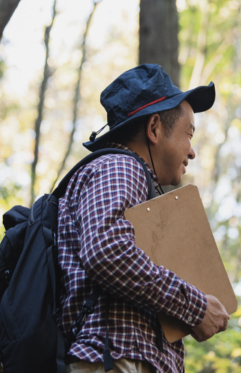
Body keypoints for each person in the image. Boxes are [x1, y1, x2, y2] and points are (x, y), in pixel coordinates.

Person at [57, 64, 230, 373]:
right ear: (154, 129)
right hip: (114, 359)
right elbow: (106, 250)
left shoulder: (130, 179)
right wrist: (196, 307)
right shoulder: (120, 166)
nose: (192, 152)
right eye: (189, 134)